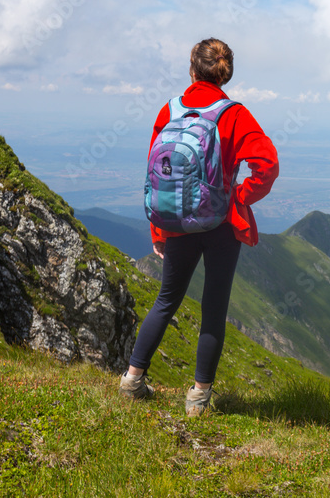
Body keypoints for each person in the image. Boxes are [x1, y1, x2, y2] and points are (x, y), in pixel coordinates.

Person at [119, 38, 279, 416]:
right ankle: (198, 399)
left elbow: (157, 174)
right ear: (225, 76)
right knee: (213, 306)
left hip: (176, 224)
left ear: (192, 70)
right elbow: (267, 164)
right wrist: (240, 195)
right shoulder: (234, 115)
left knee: (166, 300)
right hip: (221, 224)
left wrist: (160, 227)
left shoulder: (169, 111)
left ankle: (132, 380)